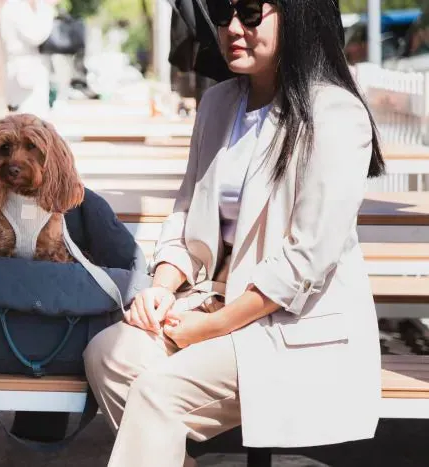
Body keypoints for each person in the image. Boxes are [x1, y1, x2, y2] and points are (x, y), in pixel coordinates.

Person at [83, 1, 386, 466]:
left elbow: (304, 263)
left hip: (293, 326)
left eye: (248, 12)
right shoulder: (218, 103)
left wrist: (212, 327)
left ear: (298, 15)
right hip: (214, 300)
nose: (232, 28)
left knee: (158, 394)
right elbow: (186, 213)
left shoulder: (335, 113)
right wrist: (162, 288)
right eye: (223, 14)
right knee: (110, 355)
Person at [0, 0, 58, 118]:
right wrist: (47, 8)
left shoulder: (12, 6)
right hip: (26, 69)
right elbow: (36, 35)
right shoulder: (16, 7)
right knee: (32, 116)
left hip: (22, 66)